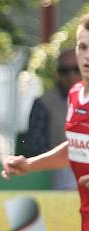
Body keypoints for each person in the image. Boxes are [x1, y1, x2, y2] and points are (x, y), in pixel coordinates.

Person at [2, 13, 89, 231]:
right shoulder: (77, 96)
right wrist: (31, 164)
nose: (86, 55)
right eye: (82, 46)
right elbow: (76, 145)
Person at [25, 48, 80, 190]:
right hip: (60, 173)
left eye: (77, 69)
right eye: (64, 70)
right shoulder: (44, 103)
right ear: (58, 73)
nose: (71, 75)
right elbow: (36, 148)